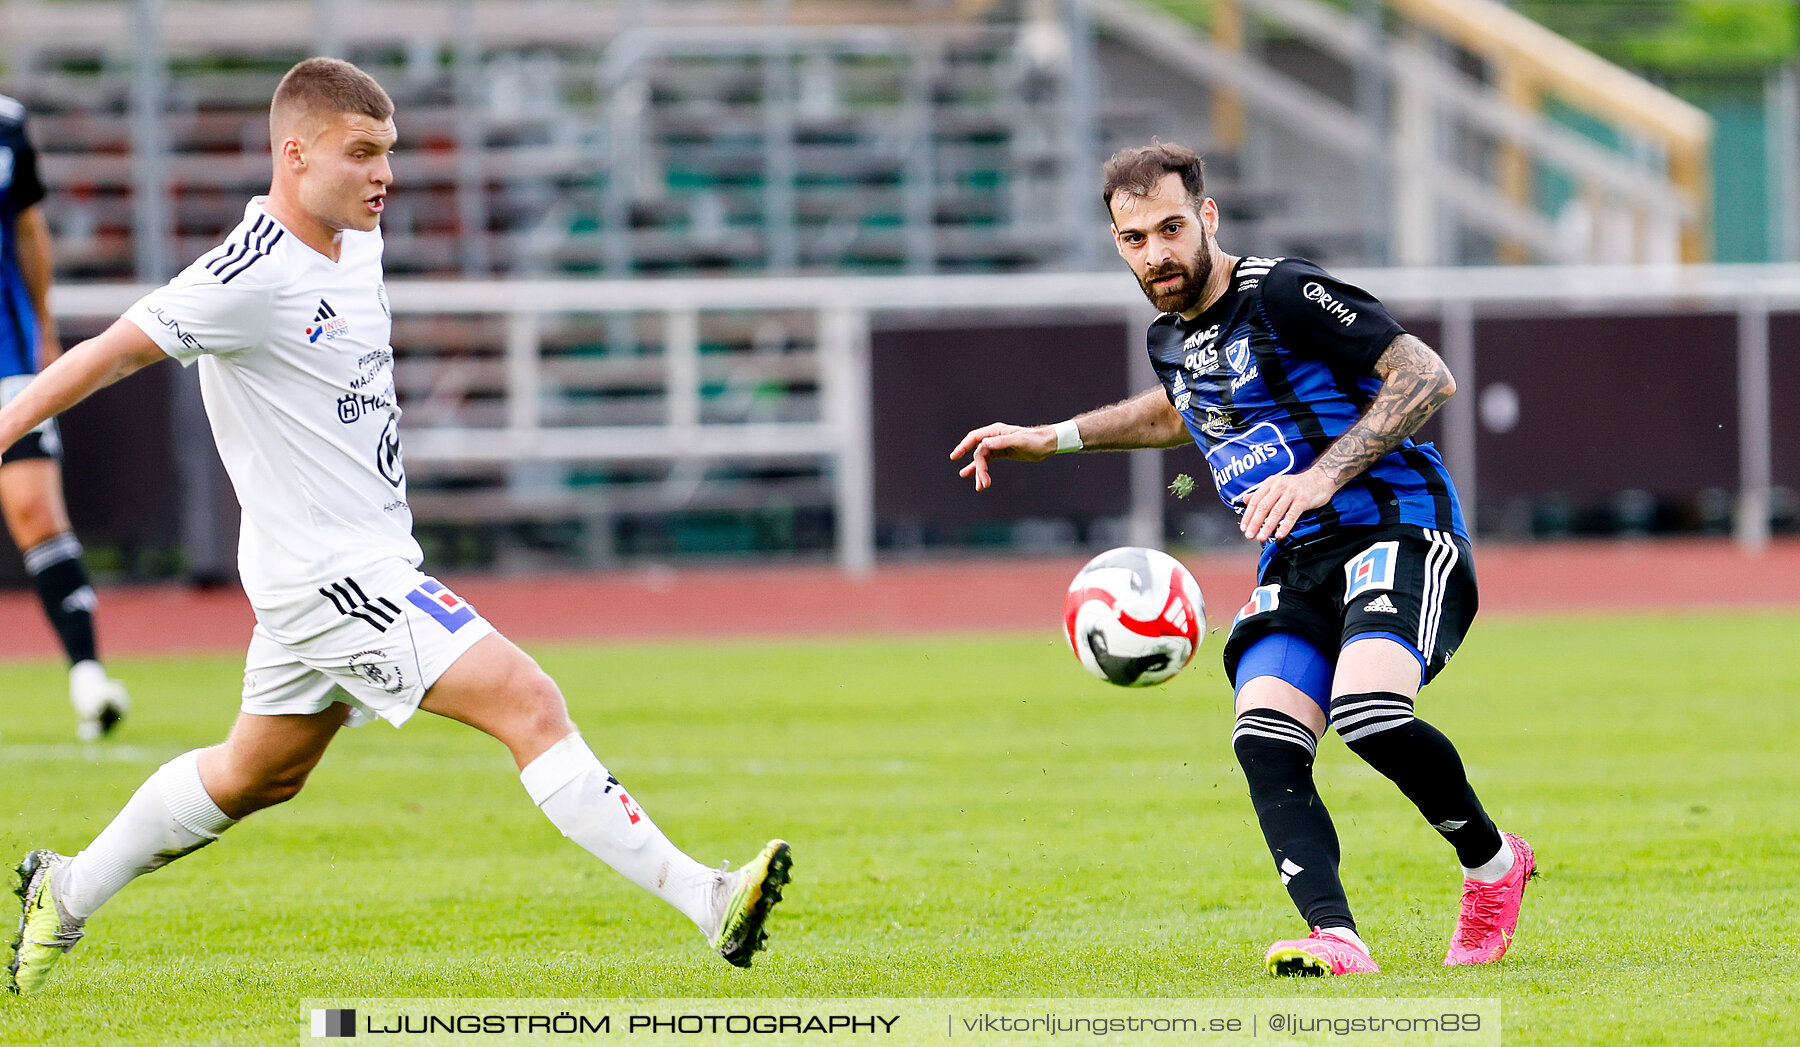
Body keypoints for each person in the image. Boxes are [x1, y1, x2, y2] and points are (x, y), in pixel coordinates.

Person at [3, 58, 790, 996]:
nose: (385, 175)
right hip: (331, 575)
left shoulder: (357, 243)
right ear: (294, 156)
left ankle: (67, 887)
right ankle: (710, 900)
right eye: (361, 153)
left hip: (353, 557)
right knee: (529, 701)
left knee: (259, 772)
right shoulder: (241, 279)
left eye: (391, 153)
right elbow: (105, 354)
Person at [951, 141, 1533, 976]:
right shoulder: (1171, 339)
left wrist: (1319, 475)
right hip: (1296, 560)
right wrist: (1055, 438)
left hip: (1400, 529)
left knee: (1368, 711)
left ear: (1208, 218)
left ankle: (1493, 865)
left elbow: (1426, 374)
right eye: (1135, 239)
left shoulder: (1287, 292)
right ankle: (1337, 935)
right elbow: (1176, 412)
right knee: (1264, 734)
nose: (1157, 253)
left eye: (1172, 228)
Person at [1, 93, 131, 740]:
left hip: (6, 358)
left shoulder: (7, 122)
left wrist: (45, 328)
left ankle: (88, 676)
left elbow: (26, 227)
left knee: (36, 513)